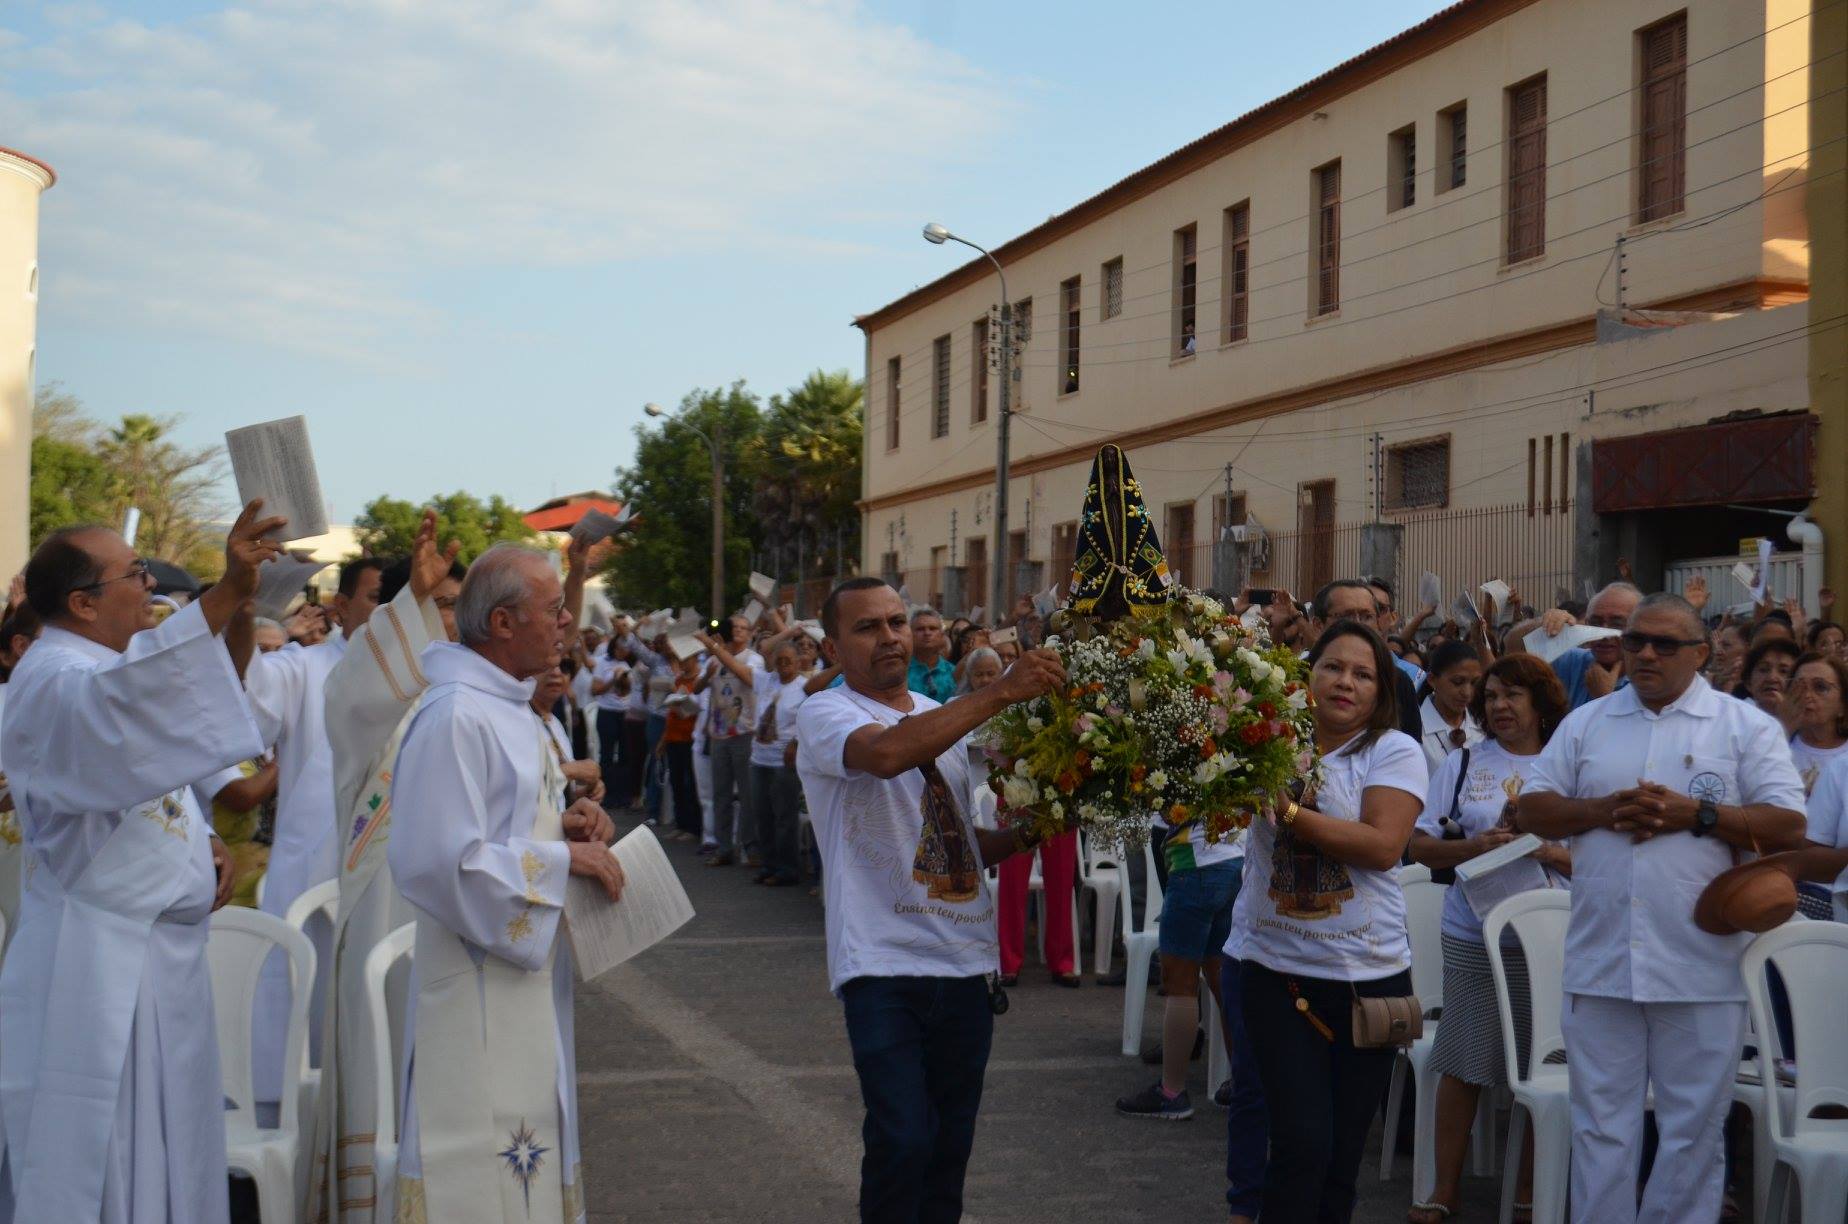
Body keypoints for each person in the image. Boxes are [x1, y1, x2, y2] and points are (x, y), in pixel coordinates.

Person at [0, 501, 281, 1224]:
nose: (151, 584)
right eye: (135, 574)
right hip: (97, 967)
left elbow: (136, 769)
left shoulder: (100, 667)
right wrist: (226, 594)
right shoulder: (55, 673)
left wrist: (200, 837)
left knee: (170, 1157)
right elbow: (111, 726)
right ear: (83, 603)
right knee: (113, 1165)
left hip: (158, 955)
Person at [1517, 592, 1806, 1224]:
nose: (1646, 652)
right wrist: (1602, 811)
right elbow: (1532, 807)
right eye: (1635, 639)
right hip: (1601, 963)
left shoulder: (1742, 725)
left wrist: (1695, 815)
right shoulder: (1588, 722)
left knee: (1691, 1134)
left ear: (1701, 654)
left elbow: (1787, 822)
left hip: (1702, 967)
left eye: (1664, 644)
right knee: (1601, 1130)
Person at [794, 577, 1065, 1222]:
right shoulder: (828, 713)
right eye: (868, 627)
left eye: (896, 621)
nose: (889, 636)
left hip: (965, 965)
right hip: (882, 965)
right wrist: (999, 691)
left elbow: (956, 840)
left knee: (948, 1151)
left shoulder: (932, 711)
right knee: (901, 1138)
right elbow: (887, 755)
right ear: (832, 645)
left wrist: (1034, 828)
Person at [387, 544, 621, 1222]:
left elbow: (510, 827)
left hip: (520, 972)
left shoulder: (513, 710)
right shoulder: (455, 715)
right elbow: (434, 860)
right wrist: (559, 864)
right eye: (553, 610)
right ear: (502, 624)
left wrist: (570, 827)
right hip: (472, 979)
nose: (568, 622)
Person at [1223, 618, 1425, 1222]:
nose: (1345, 682)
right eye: (1332, 666)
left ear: (1381, 690)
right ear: (1305, 675)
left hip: (1369, 980)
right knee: (1299, 1144)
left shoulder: (1394, 750)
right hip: (1277, 974)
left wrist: (1285, 810)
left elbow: (1381, 845)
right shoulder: (1265, 738)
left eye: (1363, 674)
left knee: (1340, 1157)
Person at [306, 511, 467, 1224]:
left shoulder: (477, 702)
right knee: (383, 1064)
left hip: (460, 922)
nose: (455, 623)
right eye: (443, 608)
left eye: (459, 608)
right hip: (384, 914)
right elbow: (360, 689)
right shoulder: (367, 700)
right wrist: (415, 604)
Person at [1405, 655, 1573, 1223]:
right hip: (1473, 929)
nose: (1499, 706)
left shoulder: (1568, 765)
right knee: (1464, 1058)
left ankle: (1527, 1190)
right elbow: (1419, 845)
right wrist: (1474, 847)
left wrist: (1542, 847)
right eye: (1491, 696)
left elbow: (1597, 862)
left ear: (1540, 702)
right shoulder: (1464, 762)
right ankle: (1441, 1188)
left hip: (1550, 938)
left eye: (1513, 696)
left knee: (1540, 1060)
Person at [243, 554, 384, 1110]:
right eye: (375, 598)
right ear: (341, 607)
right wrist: (252, 608)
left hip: (387, 883)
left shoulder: (429, 678)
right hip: (312, 875)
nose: (389, 612)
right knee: (302, 1017)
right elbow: (246, 697)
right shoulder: (303, 668)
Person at [1309, 580, 1426, 742]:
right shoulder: (1291, 677)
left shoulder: (1397, 682)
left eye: (1366, 617)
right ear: (1318, 625)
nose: (1358, 625)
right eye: (1346, 616)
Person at [698, 613, 762, 866]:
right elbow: (698, 689)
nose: (736, 630)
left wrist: (716, 649)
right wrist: (707, 673)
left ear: (750, 633)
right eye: (733, 626)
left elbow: (748, 679)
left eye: (742, 627)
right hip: (718, 734)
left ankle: (750, 846)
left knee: (747, 795)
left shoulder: (754, 659)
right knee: (721, 794)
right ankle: (724, 848)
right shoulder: (715, 657)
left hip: (744, 733)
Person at [1545, 581, 1642, 709]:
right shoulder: (1572, 662)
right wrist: (1544, 627)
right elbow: (1517, 653)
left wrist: (1603, 698)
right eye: (1595, 623)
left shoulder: (1649, 681)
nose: (1604, 635)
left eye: (1617, 624)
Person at [1783, 651, 1848, 796]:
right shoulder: (1777, 747)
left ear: (1843, 704)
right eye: (1798, 687)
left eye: (1820, 687)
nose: (1807, 695)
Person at [1417, 639, 1484, 772]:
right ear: (1432, 680)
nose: (1467, 692)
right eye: (1458, 682)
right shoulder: (1413, 728)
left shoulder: (1483, 725)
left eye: (1474, 683)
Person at [1736, 635, 1800, 717]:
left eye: (1783, 671)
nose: (1772, 678)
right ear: (1748, 682)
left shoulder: (1808, 722)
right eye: (1763, 670)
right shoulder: (1734, 718)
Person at [907, 607, 956, 703]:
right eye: (920, 629)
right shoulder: (900, 673)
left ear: (942, 635)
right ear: (910, 634)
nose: (927, 633)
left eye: (932, 628)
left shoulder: (953, 672)